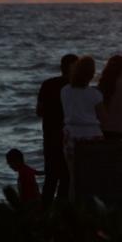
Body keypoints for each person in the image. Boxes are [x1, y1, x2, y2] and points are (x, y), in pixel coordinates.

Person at [60, 56, 107, 201]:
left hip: (71, 135)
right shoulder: (95, 94)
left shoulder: (65, 90)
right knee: (93, 176)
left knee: (74, 177)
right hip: (92, 135)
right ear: (91, 74)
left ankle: (74, 208)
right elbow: (104, 119)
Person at [37, 53, 77, 207]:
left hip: (50, 135)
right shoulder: (75, 87)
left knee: (51, 176)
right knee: (66, 177)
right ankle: (61, 210)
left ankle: (45, 209)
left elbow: (39, 111)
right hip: (69, 136)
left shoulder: (47, 84)